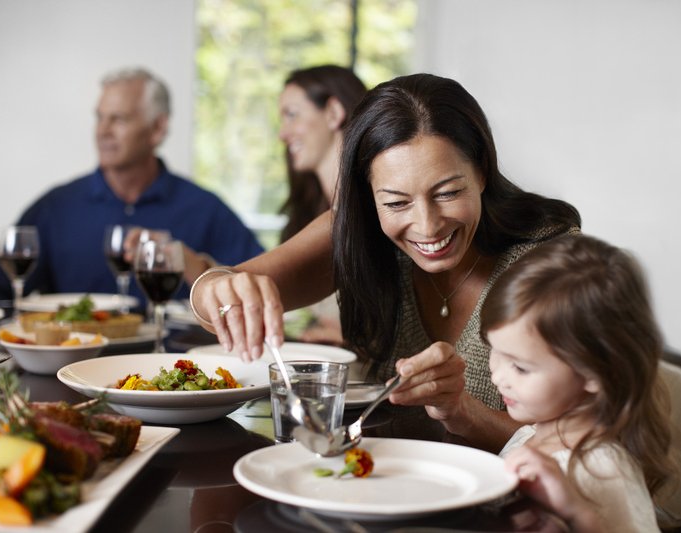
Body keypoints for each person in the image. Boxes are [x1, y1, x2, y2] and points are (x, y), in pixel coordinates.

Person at [189, 73, 581, 451]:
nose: (427, 227)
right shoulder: (358, 232)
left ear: (481, 172)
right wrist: (218, 286)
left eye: (447, 193)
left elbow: (581, 444)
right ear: (368, 196)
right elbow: (212, 304)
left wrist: (463, 412)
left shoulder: (547, 258)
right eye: (396, 202)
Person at [0, 67, 263, 307]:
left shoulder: (205, 209)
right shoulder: (56, 208)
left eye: (119, 119)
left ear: (157, 129)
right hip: (75, 364)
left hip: (174, 362)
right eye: (100, 118)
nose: (103, 131)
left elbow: (257, 285)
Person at [483, 234, 672, 532]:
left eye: (519, 367)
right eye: (494, 350)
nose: (497, 375)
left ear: (596, 373)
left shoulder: (601, 468)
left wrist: (579, 517)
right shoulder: (531, 434)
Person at [276, 65, 366, 345]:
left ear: (333, 113)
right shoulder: (312, 213)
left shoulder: (379, 213)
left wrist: (355, 342)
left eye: (292, 115)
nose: (282, 133)